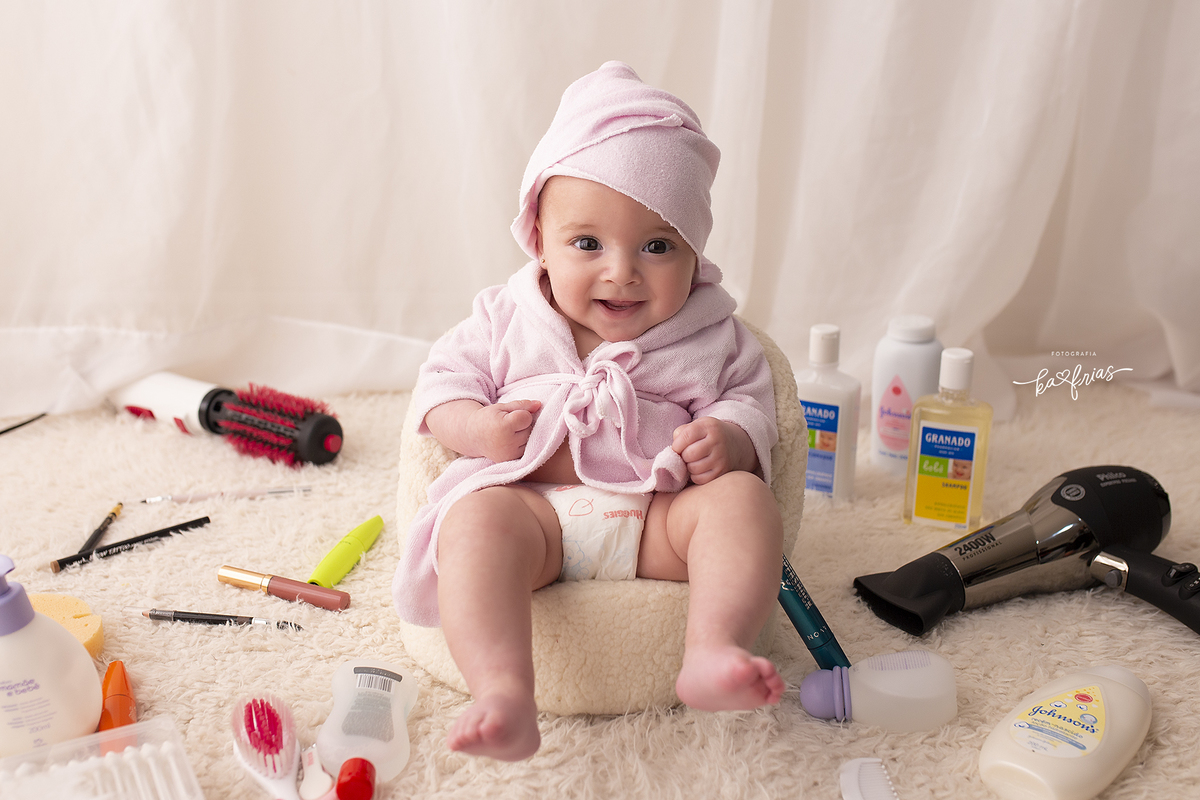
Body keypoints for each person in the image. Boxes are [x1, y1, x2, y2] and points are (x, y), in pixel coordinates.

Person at [393, 61, 785, 761]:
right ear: (538, 237)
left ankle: (711, 650)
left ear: (696, 253)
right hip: (533, 512)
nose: (621, 271)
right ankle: (504, 689)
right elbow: (440, 385)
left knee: (745, 503)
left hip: (658, 522)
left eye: (658, 247)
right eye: (587, 244)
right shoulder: (505, 315)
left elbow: (755, 398)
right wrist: (477, 427)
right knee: (473, 525)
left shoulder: (712, 329)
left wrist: (729, 437)